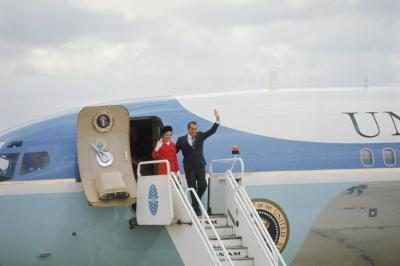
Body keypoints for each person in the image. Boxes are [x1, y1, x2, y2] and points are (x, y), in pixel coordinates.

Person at [176, 110, 220, 216]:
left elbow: (211, 132)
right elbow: (174, 151)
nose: (194, 131)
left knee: (203, 186)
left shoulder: (200, 136)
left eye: (196, 129)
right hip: (189, 167)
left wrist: (217, 120)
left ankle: (195, 204)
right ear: (188, 129)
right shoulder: (181, 140)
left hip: (200, 165)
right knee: (192, 188)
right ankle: (196, 209)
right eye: (192, 129)